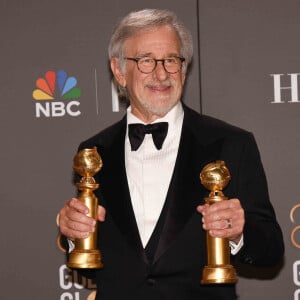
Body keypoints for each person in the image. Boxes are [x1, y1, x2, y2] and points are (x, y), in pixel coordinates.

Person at [58, 8, 284, 300]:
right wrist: (75, 237)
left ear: (184, 66)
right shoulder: (93, 153)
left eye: (171, 60)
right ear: (119, 70)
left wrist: (239, 233)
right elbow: (91, 269)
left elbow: (270, 250)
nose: (161, 73)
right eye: (146, 61)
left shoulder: (232, 144)